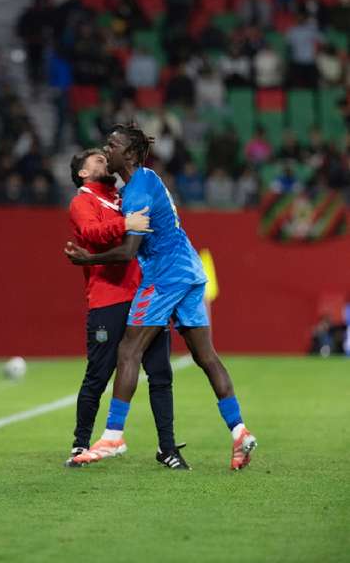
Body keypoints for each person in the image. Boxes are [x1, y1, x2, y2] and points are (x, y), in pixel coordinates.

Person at [65, 123, 257, 470]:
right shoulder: (148, 179)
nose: (106, 150)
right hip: (190, 270)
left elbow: (128, 252)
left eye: (112, 145)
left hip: (165, 276)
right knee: (206, 356)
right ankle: (239, 431)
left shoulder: (136, 191)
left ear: (129, 153)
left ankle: (113, 435)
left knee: (129, 350)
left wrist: (87, 259)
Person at [65, 148, 187, 470]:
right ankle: (80, 443)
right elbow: (91, 233)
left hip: (146, 296)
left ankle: (167, 448)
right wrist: (125, 224)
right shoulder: (82, 202)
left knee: (160, 372)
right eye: (97, 160)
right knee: (99, 374)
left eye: (105, 157)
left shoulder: (123, 198)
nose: (104, 160)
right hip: (108, 298)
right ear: (82, 173)